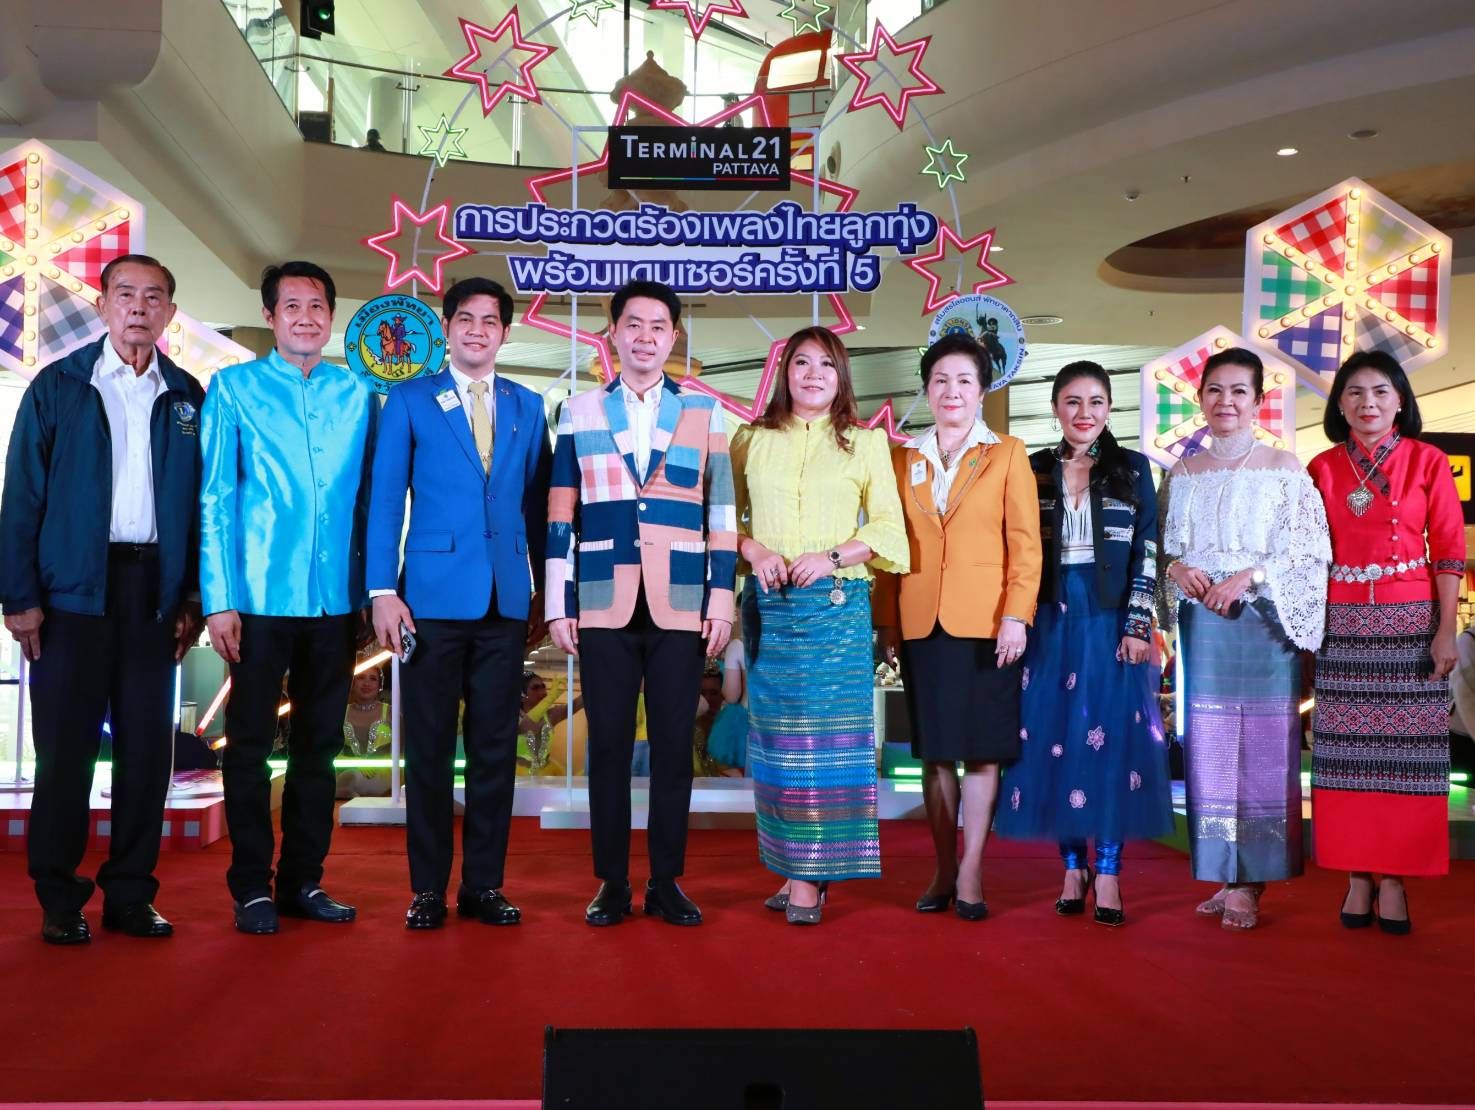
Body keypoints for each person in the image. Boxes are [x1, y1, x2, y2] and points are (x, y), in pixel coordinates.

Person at [0, 254, 205, 944]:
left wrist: (191, 595)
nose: (139, 308)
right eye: (125, 295)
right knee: (65, 753)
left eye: (153, 297)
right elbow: (21, 496)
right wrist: (19, 596)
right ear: (102, 305)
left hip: (153, 594)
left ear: (169, 312)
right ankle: (60, 898)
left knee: (147, 753)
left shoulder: (186, 396)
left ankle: (130, 895)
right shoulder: (59, 386)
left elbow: (202, 507)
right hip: (70, 595)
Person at [545, 279, 737, 927]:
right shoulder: (579, 410)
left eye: (658, 326)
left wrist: (721, 599)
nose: (646, 337)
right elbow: (561, 512)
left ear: (673, 336)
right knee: (606, 745)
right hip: (602, 598)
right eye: (634, 324)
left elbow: (721, 513)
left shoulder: (704, 413)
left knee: (674, 745)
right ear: (614, 334)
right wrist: (558, 600)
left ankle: (665, 880)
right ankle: (611, 881)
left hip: (682, 601)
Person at [200, 260, 378, 935]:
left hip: (335, 601)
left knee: (317, 747)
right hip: (255, 597)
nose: (306, 317)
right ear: (270, 316)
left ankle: (303, 880)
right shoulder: (234, 387)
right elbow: (215, 497)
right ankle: (251, 887)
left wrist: (374, 590)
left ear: (331, 316)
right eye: (292, 305)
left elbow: (372, 502)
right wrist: (218, 598)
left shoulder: (357, 393)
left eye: (317, 305)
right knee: (249, 745)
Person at [368, 276, 552, 930]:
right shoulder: (409, 398)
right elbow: (386, 499)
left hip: (506, 601)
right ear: (446, 328)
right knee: (429, 749)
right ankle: (426, 889)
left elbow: (539, 508)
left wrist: (545, 590)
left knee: (494, 750)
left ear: (506, 332)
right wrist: (382, 590)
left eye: (490, 321)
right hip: (429, 599)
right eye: (466, 319)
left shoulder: (529, 404)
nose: (478, 330)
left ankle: (483, 885)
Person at [733, 325, 908, 925]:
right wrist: (755, 550)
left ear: (842, 377)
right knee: (779, 747)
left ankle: (811, 876)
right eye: (802, 363)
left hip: (836, 607)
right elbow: (723, 521)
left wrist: (831, 556)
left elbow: (888, 530)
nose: (813, 375)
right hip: (770, 606)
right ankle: (793, 866)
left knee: (830, 746)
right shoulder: (750, 439)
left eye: (826, 365)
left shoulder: (866, 443)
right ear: (784, 372)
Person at [994, 361, 1172, 926]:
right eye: (1072, 401)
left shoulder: (1132, 468)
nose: (1084, 412)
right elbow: (1014, 549)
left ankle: (1110, 870)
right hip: (1047, 616)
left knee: (1111, 741)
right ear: (1055, 408)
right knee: (1053, 740)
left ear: (1109, 408)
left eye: (1096, 401)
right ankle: (1073, 867)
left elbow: (1147, 549)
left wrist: (1138, 624)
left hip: (1110, 616)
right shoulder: (1032, 469)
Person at [1158, 347, 1329, 930]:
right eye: (1215, 390)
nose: (1225, 402)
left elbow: (1308, 551)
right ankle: (1225, 871)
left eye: (1238, 392)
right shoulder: (1182, 473)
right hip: (1204, 621)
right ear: (1200, 397)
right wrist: (1178, 569)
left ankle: (1251, 881)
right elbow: (1164, 550)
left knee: (1263, 747)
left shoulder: (1283, 466)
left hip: (1263, 622)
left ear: (1258, 401)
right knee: (1208, 742)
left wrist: (1249, 576)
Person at [874, 334, 1039, 921]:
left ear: (982, 390)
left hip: (989, 623)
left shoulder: (1007, 453)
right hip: (922, 623)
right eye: (940, 380)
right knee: (936, 753)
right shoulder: (903, 459)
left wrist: (1016, 615)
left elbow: (1025, 543)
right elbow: (889, 547)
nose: (952, 390)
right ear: (926, 388)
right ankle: (943, 867)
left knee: (984, 753)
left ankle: (971, 869)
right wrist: (887, 621)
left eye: (964, 380)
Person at [1306, 350, 1466, 935]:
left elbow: (1448, 548)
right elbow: (1306, 557)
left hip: (1412, 623)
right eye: (1354, 392)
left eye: (1379, 391)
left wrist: (1445, 629)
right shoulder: (1321, 467)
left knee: (1408, 758)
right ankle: (1356, 874)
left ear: (1400, 400)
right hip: (1342, 624)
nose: (1367, 402)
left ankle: (1395, 877)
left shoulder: (1428, 460)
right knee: (1346, 756)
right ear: (1339, 404)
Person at [337, 661, 391, 799]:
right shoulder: (339, 713)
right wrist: (355, 762)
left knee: (351, 778)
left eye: (373, 679)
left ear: (380, 685)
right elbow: (330, 752)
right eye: (361, 677)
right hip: (345, 773)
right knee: (349, 777)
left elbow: (403, 753)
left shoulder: (391, 713)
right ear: (353, 682)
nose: (366, 683)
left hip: (383, 777)